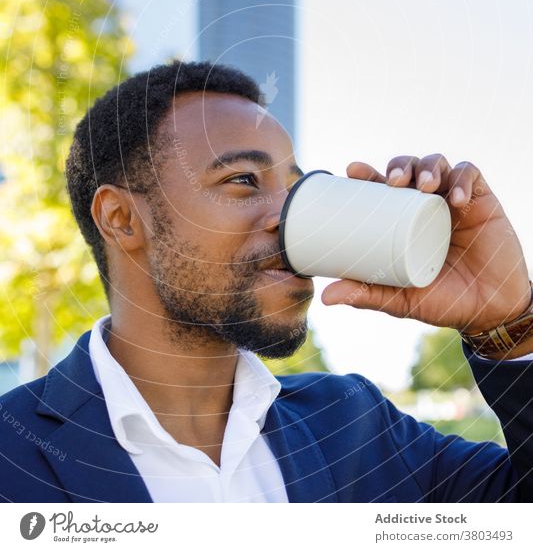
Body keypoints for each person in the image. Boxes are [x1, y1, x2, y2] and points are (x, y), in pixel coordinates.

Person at [1, 59, 532, 503]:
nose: (290, 214)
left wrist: (509, 320)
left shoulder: (354, 431)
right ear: (121, 218)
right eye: (242, 180)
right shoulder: (13, 454)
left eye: (296, 187)